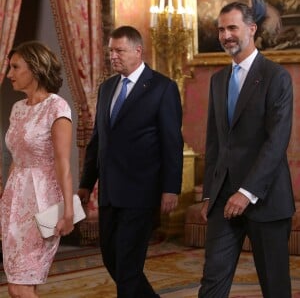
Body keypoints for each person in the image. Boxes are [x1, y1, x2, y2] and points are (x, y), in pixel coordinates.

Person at [78, 25, 183, 298]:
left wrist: (171, 188)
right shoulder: (107, 88)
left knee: (127, 265)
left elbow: (172, 143)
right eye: (110, 51)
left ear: (138, 51)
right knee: (112, 259)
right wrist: (85, 184)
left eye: (119, 51)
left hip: (142, 192)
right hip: (110, 193)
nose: (113, 56)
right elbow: (98, 141)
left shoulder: (162, 87)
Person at [199, 2, 294, 298]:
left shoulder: (276, 77)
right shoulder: (218, 81)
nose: (226, 35)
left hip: (265, 198)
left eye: (232, 28)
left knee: (274, 286)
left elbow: (276, 141)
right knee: (212, 280)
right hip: (224, 198)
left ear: (251, 29)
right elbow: (215, 142)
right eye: (221, 29)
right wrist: (208, 193)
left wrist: (247, 191)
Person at [0, 41, 74, 298]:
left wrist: (68, 210)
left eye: (15, 67)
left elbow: (63, 164)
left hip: (43, 203)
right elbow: (17, 158)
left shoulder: (57, 107)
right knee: (15, 287)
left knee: (21, 287)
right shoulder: (17, 108)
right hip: (14, 202)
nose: (9, 74)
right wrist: (4, 200)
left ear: (34, 68)